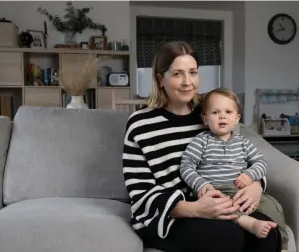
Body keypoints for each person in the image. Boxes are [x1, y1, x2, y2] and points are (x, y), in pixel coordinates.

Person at [122, 41, 282, 252]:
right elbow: (140, 192)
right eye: (178, 74)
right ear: (161, 79)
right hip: (171, 215)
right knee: (226, 235)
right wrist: (195, 209)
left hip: (223, 200)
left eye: (193, 72)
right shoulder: (141, 124)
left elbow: (240, 155)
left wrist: (256, 185)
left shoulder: (212, 113)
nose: (188, 82)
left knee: (269, 234)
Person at [179, 88, 289, 247]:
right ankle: (247, 222)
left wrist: (251, 175)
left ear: (237, 118)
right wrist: (201, 184)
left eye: (228, 112)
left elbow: (261, 162)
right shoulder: (201, 141)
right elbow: (186, 166)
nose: (222, 116)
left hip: (241, 190)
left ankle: (283, 246)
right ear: (205, 119)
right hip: (216, 190)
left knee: (273, 206)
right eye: (215, 112)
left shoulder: (243, 142)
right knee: (219, 206)